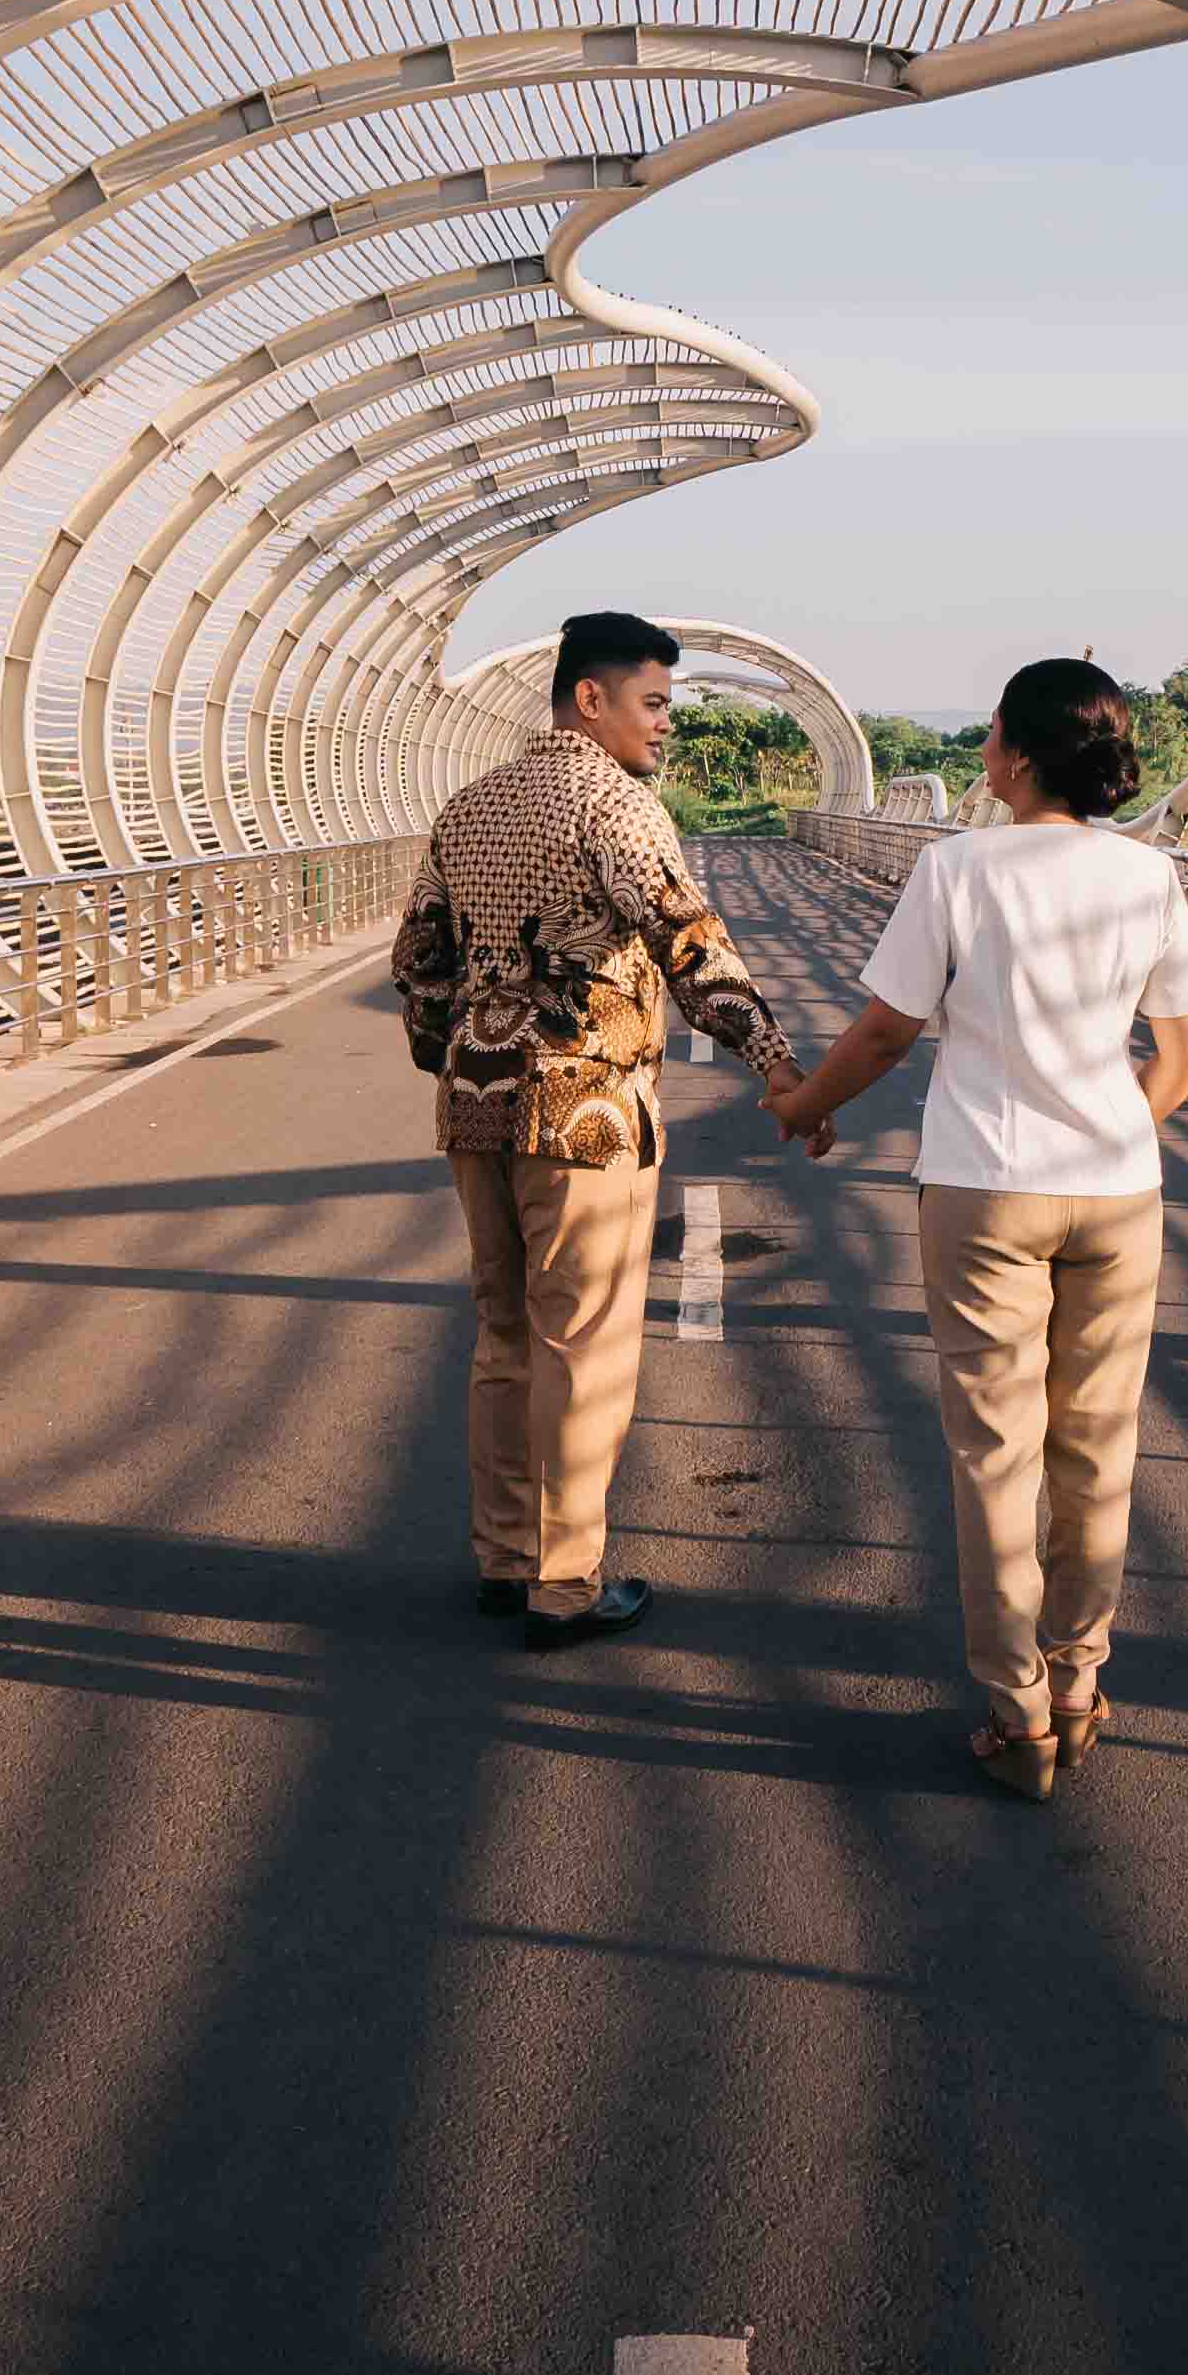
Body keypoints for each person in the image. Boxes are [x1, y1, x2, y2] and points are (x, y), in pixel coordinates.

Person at [767, 655, 1188, 1795]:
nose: (979, 755)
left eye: (989, 737)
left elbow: (881, 1035)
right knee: (1097, 1448)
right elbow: (1187, 1055)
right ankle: (1080, 1681)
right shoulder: (1146, 875)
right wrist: (1109, 1127)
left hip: (985, 1189)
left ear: (1017, 754)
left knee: (995, 1455)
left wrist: (802, 1110)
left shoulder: (956, 866)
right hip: (1119, 1189)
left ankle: (1017, 1714)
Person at [390, 608, 795, 1645]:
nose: (664, 727)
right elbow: (691, 948)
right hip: (588, 1112)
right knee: (586, 1345)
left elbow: (421, 964)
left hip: (475, 1105)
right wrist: (775, 1064)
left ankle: (503, 1557)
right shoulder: (614, 805)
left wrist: (447, 1051)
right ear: (591, 698)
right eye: (653, 704)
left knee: (505, 1335)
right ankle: (565, 1584)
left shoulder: (469, 805)